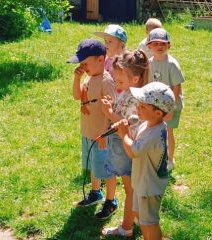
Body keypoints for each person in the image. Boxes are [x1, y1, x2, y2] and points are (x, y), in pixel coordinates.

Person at [115, 82, 175, 240]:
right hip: (142, 183)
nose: (137, 109)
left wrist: (124, 135)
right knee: (142, 220)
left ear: (158, 113)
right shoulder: (149, 126)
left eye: (142, 107)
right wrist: (127, 132)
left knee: (150, 223)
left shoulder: (153, 134)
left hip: (149, 188)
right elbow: (137, 145)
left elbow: (133, 151)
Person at [100, 50, 149, 233]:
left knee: (130, 190)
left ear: (135, 78)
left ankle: (126, 228)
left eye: (119, 81)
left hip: (128, 146)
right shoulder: (129, 91)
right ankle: (135, 218)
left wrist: (108, 112)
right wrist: (112, 104)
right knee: (131, 188)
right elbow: (122, 113)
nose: (116, 84)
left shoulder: (135, 97)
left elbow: (124, 124)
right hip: (126, 145)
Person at [67, 39, 117, 211]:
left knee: (108, 169)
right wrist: (77, 78)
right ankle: (96, 193)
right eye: (81, 63)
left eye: (85, 63)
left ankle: (111, 201)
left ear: (100, 60)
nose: (82, 66)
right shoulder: (88, 77)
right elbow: (76, 96)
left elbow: (111, 110)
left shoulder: (106, 81)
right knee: (94, 166)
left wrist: (105, 133)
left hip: (102, 135)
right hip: (88, 132)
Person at [146, 28, 184, 171]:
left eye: (163, 43)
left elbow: (176, 87)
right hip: (155, 105)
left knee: (168, 132)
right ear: (149, 46)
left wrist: (170, 108)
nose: (159, 47)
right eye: (155, 44)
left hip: (171, 105)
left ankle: (169, 160)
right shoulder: (149, 63)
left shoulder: (172, 64)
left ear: (169, 45)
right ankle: (156, 157)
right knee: (154, 131)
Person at [95, 24, 127, 91]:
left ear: (122, 44)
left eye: (110, 41)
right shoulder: (105, 60)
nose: (106, 44)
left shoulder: (125, 63)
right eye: (105, 41)